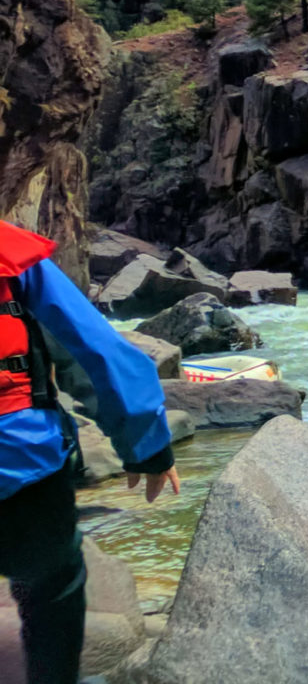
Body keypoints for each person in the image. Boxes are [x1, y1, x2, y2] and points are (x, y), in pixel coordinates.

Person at [0, 220, 179, 684]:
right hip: (19, 461)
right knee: (51, 587)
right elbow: (94, 351)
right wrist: (148, 449)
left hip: (19, 458)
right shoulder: (11, 255)